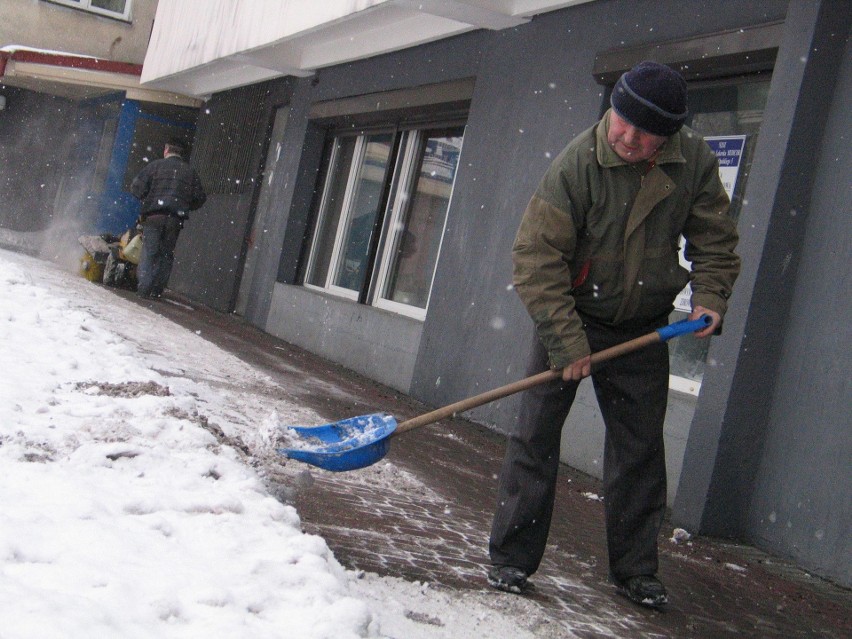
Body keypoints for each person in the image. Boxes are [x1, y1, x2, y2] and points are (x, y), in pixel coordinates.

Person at [487, 61, 740, 607]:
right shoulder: (577, 164)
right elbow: (535, 258)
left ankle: (636, 571)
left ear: (668, 135)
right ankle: (511, 559)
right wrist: (568, 344)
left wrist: (710, 297)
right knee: (535, 437)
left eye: (644, 131)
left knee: (640, 452)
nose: (626, 136)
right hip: (571, 316)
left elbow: (715, 239)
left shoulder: (692, 162)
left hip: (642, 325)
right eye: (621, 120)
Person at [130, 139, 206, 299]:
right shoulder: (190, 173)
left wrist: (147, 198)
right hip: (174, 221)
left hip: (153, 217)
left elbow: (136, 187)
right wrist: (184, 206)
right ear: (181, 154)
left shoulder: (154, 166)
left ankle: (143, 289)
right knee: (166, 254)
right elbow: (200, 197)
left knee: (150, 252)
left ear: (166, 150)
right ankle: (157, 290)